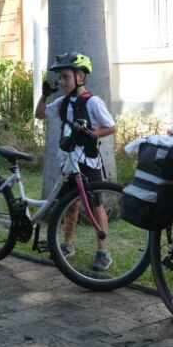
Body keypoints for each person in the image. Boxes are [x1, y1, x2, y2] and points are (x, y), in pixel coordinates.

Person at [35, 52, 117, 272]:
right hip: (68, 160)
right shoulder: (62, 102)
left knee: (95, 205)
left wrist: (93, 134)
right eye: (60, 78)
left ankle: (103, 251)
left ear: (80, 77)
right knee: (70, 203)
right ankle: (68, 244)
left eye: (65, 77)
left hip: (88, 162)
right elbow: (39, 114)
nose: (61, 82)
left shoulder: (93, 102)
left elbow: (111, 126)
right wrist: (44, 96)